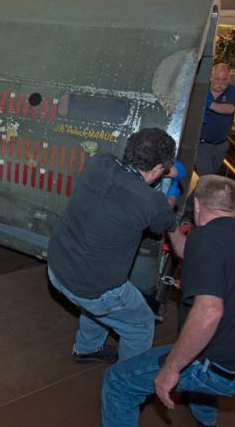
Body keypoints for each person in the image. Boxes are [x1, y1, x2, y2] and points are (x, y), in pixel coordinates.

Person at [101, 175, 235, 427]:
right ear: (234, 207)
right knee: (199, 352)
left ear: (196, 206)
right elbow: (189, 251)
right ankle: (206, 421)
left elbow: (209, 313)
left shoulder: (205, 239)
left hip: (224, 368)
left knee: (117, 382)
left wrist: (171, 369)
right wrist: (171, 224)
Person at [47, 127, 178, 364]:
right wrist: (172, 195)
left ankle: (87, 349)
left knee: (105, 305)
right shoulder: (150, 201)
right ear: (158, 169)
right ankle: (127, 382)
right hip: (92, 286)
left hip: (58, 267)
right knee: (140, 324)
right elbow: (165, 222)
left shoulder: (99, 162)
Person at [196, 63, 235, 176]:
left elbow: (229, 109)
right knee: (207, 178)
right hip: (203, 144)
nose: (220, 83)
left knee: (210, 179)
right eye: (217, 79)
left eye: (224, 80)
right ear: (211, 77)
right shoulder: (201, 90)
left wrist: (206, 103)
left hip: (221, 145)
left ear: (229, 78)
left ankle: (195, 194)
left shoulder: (234, 91)